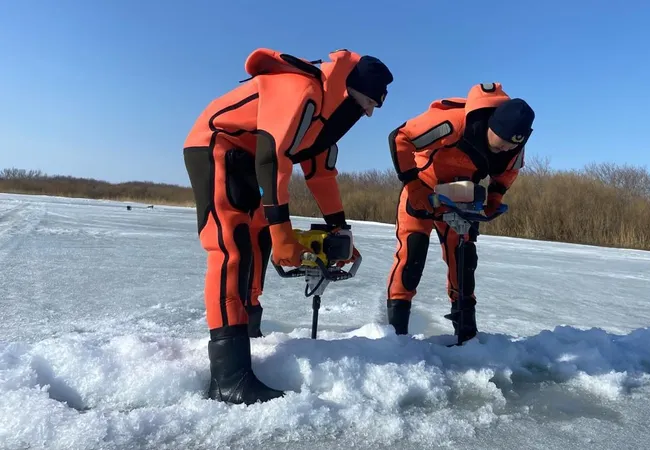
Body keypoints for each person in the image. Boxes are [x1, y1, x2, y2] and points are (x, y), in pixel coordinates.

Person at [183, 47, 393, 405]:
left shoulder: (328, 117)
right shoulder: (301, 89)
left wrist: (340, 230)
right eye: (368, 102)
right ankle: (228, 380)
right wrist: (281, 228)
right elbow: (271, 155)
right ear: (348, 90)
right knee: (231, 245)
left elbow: (322, 175)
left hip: (254, 158)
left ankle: (248, 335)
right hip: (217, 144)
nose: (371, 113)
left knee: (258, 244)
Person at [385, 82, 534, 343]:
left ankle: (466, 335)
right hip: (422, 188)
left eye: (511, 147)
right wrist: (412, 184)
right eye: (499, 145)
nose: (504, 150)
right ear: (491, 126)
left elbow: (508, 171)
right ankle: (395, 337)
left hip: (461, 196)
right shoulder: (454, 122)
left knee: (463, 261)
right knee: (412, 256)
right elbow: (400, 137)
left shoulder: (514, 145)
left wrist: (496, 195)